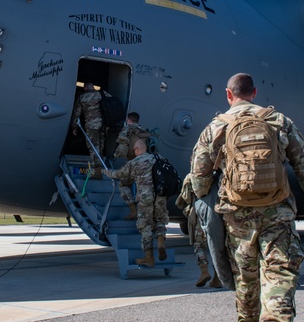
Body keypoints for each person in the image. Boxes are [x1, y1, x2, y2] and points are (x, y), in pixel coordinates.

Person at [189, 72, 304, 322]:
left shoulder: (216, 126)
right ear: (253, 93)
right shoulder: (278, 121)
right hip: (277, 210)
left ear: (229, 95)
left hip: (236, 213)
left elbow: (198, 175)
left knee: (246, 277)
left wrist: (205, 196)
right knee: (279, 275)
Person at [104, 138, 168, 266]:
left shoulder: (134, 162)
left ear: (137, 150)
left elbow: (119, 174)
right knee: (159, 220)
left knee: (145, 226)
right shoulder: (158, 158)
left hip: (145, 198)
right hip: (161, 197)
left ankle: (149, 257)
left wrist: (107, 172)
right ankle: (161, 242)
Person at [176, 174, 223, 288]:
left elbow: (185, 196)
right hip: (217, 214)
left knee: (199, 245)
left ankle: (204, 271)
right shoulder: (218, 176)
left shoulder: (191, 176)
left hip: (199, 214)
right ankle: (217, 276)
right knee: (216, 246)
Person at [71, 84, 106, 170]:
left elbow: (77, 113)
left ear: (85, 88)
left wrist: (74, 126)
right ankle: (101, 163)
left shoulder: (82, 97)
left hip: (91, 125)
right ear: (93, 87)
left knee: (93, 146)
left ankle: (96, 169)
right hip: (103, 124)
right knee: (100, 144)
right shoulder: (102, 94)